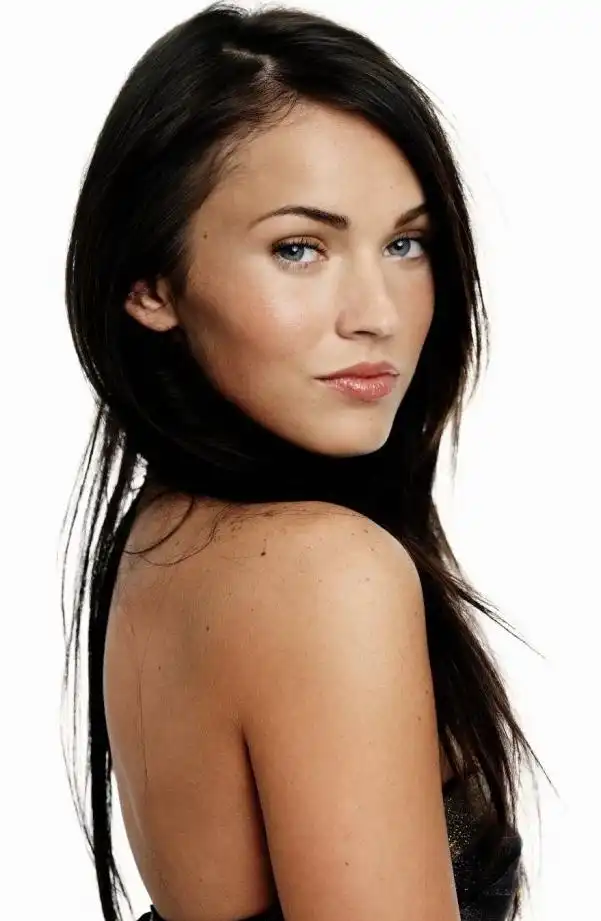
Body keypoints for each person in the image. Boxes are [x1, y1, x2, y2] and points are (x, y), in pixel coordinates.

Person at [60, 3, 549, 920]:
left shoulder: (169, 531)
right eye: (299, 248)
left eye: (405, 243)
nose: (377, 313)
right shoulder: (321, 570)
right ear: (150, 284)